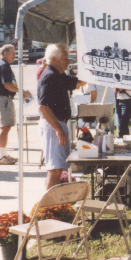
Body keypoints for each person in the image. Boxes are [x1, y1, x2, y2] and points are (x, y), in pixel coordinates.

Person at [37, 43, 85, 190]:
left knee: (57, 169)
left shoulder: (58, 76)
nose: (68, 61)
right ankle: (48, 203)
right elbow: (43, 107)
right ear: (54, 59)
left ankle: (53, 202)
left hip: (57, 124)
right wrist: (58, 129)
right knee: (55, 170)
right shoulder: (50, 76)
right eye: (65, 58)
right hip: (53, 125)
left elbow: (79, 83)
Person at [0, 44, 28, 165]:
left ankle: (3, 154)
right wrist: (20, 91)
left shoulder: (3, 64)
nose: (14, 56)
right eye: (13, 53)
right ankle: (1, 156)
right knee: (4, 127)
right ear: (5, 54)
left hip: (4, 99)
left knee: (6, 127)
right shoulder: (3, 65)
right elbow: (7, 85)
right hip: (2, 99)